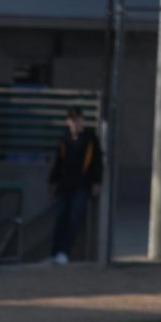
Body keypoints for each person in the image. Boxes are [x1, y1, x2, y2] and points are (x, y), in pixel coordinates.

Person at [48, 106, 102, 265]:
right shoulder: (64, 139)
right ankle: (55, 252)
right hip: (65, 185)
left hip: (82, 185)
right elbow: (58, 162)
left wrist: (96, 181)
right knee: (60, 218)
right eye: (72, 119)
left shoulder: (90, 138)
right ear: (68, 122)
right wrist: (53, 181)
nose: (75, 122)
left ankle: (64, 251)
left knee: (74, 217)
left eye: (77, 119)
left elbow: (97, 161)